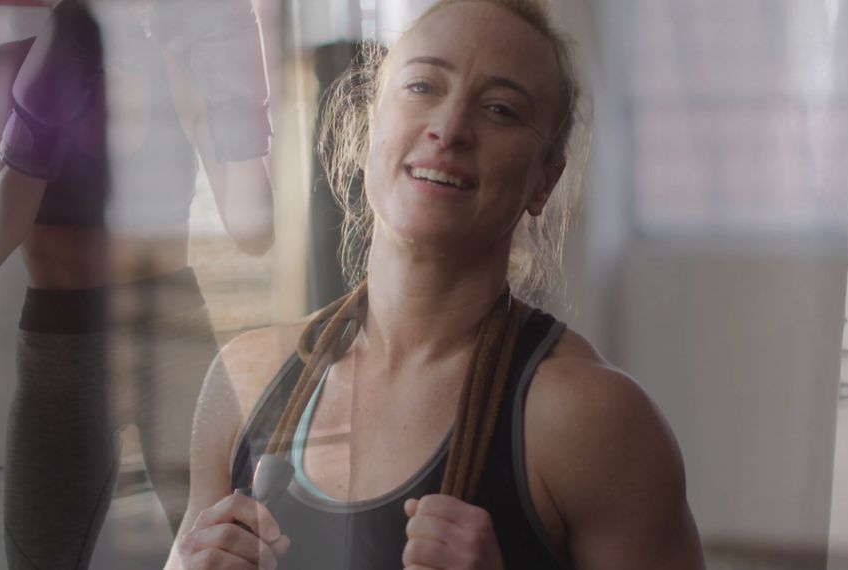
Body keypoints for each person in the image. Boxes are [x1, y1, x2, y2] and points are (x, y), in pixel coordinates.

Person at [167, 0, 705, 568]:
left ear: (545, 180)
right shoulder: (244, 383)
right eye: (423, 86)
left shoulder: (591, 420)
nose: (448, 129)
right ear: (368, 122)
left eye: (500, 109)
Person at [0, 0, 274, 567]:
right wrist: (38, 118)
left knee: (232, 544)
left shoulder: (179, 65)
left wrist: (241, 111)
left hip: (174, 334)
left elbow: (254, 232)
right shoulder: (14, 64)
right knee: (40, 556)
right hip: (63, 348)